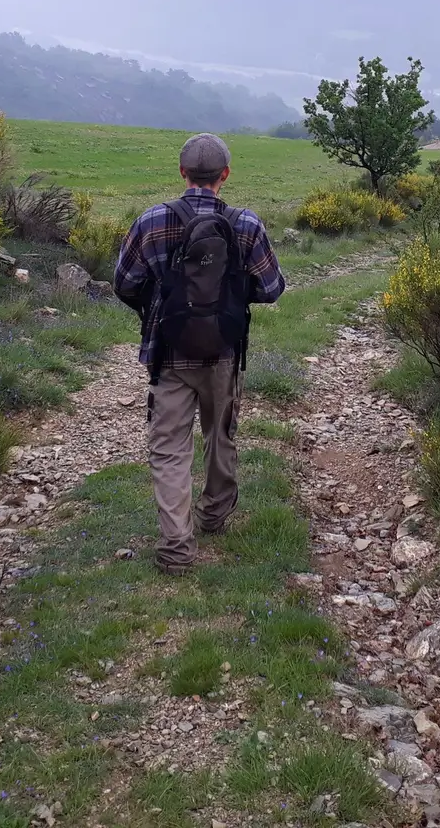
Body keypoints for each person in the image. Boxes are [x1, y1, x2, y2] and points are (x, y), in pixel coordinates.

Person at [113, 132, 286, 574]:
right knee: (220, 434)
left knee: (170, 449)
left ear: (182, 173)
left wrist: (160, 304)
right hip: (225, 352)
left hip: (168, 354)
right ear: (225, 175)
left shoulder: (151, 220)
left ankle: (176, 550)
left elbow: (124, 282)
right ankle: (214, 515)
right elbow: (271, 289)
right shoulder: (246, 224)